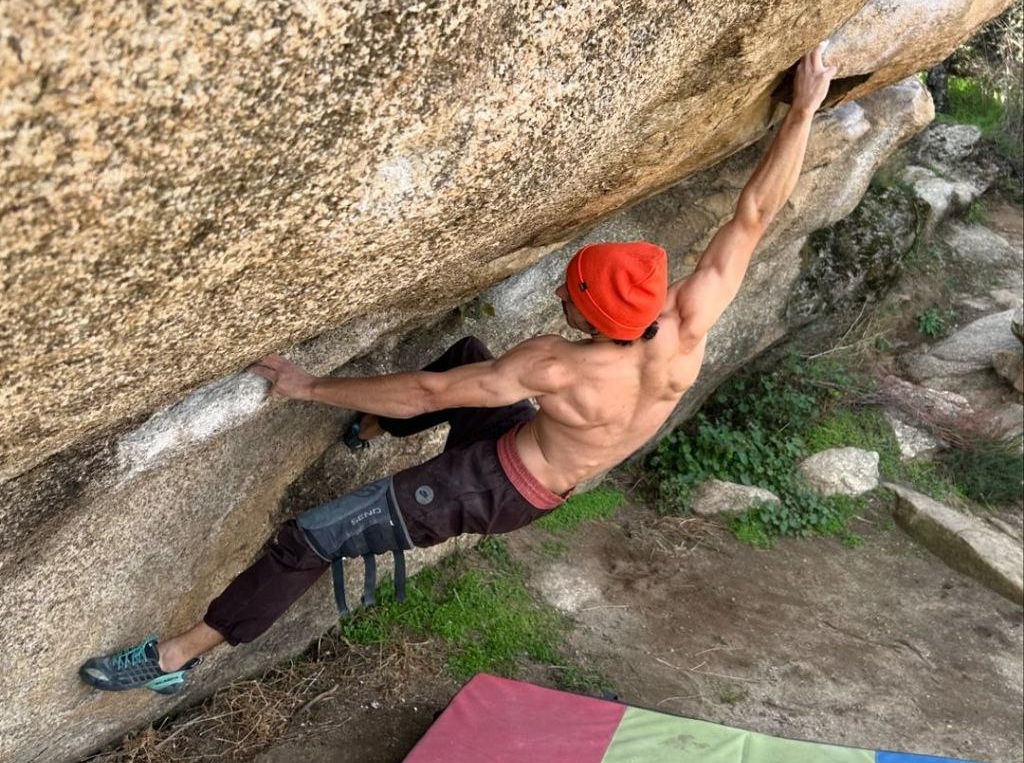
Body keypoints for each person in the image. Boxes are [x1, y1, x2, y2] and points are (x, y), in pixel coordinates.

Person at [79, 43, 835, 695]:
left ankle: (175, 656)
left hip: (493, 487)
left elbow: (431, 391)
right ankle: (372, 428)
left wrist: (306, 385)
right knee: (473, 357)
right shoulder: (688, 321)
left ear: (582, 316)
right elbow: (753, 217)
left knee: (310, 536)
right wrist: (802, 111)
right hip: (548, 464)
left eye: (569, 291)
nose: (562, 297)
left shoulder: (554, 366)